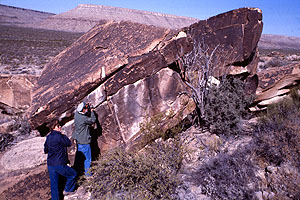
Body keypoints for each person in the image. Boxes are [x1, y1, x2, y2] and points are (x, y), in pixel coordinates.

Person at [44, 121, 77, 200]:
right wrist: (63, 135)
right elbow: (68, 143)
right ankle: (68, 190)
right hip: (59, 163)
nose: (60, 127)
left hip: (50, 164)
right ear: (54, 127)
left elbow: (45, 150)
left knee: (54, 185)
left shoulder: (48, 137)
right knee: (73, 174)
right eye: (58, 126)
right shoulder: (59, 136)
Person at [72, 102, 96, 176]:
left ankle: (79, 172)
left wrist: (86, 105)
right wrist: (92, 111)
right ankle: (88, 174)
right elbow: (93, 120)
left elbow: (81, 111)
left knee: (80, 158)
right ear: (83, 110)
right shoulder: (83, 119)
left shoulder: (76, 115)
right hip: (85, 141)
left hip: (78, 140)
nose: (86, 109)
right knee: (87, 159)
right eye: (85, 108)